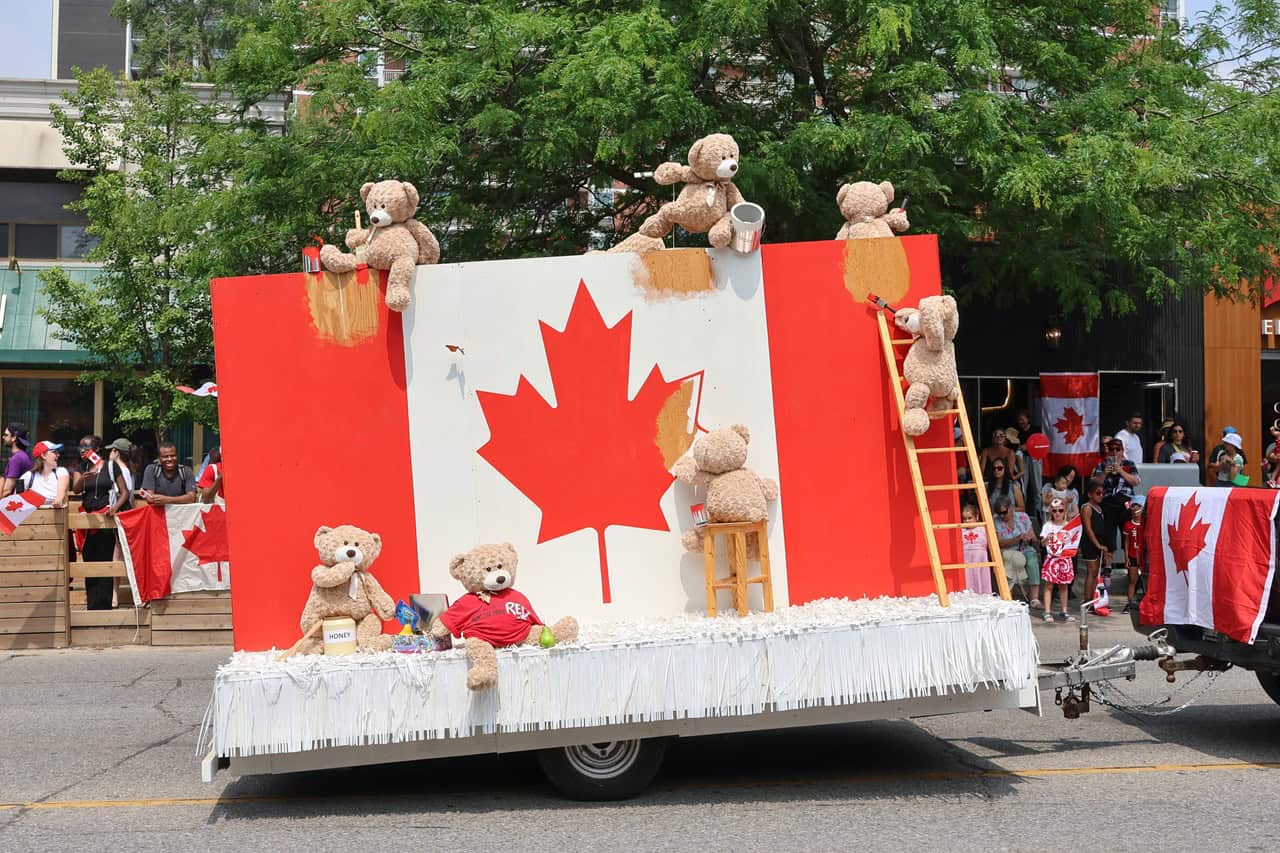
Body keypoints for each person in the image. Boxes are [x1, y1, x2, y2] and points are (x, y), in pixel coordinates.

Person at [76, 436, 131, 611]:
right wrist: (83, 479)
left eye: (87, 447)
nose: (83, 450)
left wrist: (115, 508)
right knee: (89, 562)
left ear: (97, 449)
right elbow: (76, 489)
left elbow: (125, 492)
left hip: (106, 521)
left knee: (106, 562)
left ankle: (105, 607)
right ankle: (92, 606)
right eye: (81, 447)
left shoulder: (110, 466)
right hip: (87, 522)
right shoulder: (82, 467)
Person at [993, 496, 1041, 608]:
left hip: (1025, 548)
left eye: (1004, 512)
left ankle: (1034, 598)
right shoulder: (996, 521)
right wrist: (1017, 539)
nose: (1002, 516)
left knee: (1032, 560)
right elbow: (999, 543)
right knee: (1012, 559)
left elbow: (1034, 537)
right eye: (999, 513)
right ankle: (1008, 593)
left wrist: (1029, 538)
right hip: (1008, 550)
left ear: (1012, 508)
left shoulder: (1023, 517)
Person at [1040, 498, 1078, 623]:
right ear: (1051, 512)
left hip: (1064, 558)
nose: (1057, 513)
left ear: (1065, 511)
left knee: (1064, 586)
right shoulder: (1047, 526)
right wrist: (1047, 539)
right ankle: (1047, 611)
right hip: (1052, 559)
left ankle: (1064, 610)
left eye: (1060, 510)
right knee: (1048, 586)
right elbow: (1042, 544)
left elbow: (1073, 542)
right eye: (1055, 511)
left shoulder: (1069, 526)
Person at [1080, 479, 1108, 616]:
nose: (1101, 495)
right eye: (1098, 493)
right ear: (1090, 494)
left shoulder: (1099, 508)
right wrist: (1097, 544)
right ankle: (1087, 601)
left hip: (1098, 541)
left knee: (1096, 571)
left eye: (1103, 493)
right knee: (1091, 572)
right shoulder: (1087, 507)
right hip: (1090, 543)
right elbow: (1088, 529)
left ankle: (1094, 600)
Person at [20, 441, 69, 507]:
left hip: (56, 515)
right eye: (54, 452)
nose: (58, 455)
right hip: (33, 516)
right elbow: (17, 499)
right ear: (44, 455)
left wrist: (58, 500)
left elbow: (61, 491)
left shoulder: (61, 471)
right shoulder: (27, 476)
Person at [960, 504, 991, 594]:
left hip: (980, 557)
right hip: (967, 557)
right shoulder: (961, 530)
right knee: (969, 577)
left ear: (976, 517)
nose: (967, 521)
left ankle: (984, 593)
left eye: (970, 518)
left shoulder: (982, 528)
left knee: (982, 575)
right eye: (964, 519)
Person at [1122, 497, 1145, 613]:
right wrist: (1126, 557)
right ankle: (1130, 603)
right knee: (1132, 580)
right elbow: (1126, 542)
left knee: (1146, 580)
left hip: (1143, 556)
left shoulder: (1146, 524)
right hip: (1132, 555)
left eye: (1138, 507)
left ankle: (1145, 603)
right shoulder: (1128, 525)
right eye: (1134, 507)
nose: (1135, 509)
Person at [1, 422, 33, 497]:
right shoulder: (24, 455)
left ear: (14, 438)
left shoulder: (16, 458)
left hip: (14, 505)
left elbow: (7, 491)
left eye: (6, 435)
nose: (3, 437)